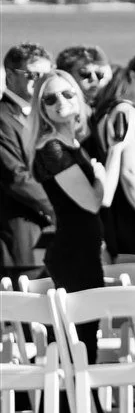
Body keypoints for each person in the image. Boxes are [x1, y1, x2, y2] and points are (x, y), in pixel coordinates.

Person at [28, 70, 116, 365]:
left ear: (78, 98)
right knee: (75, 346)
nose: (60, 102)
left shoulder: (72, 144)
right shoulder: (51, 147)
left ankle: (82, 411)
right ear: (41, 109)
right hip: (72, 256)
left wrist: (107, 168)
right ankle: (69, 411)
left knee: (83, 346)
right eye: (50, 98)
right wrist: (111, 161)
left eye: (67, 94)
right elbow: (92, 202)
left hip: (84, 254)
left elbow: (103, 198)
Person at [90, 50, 135, 262]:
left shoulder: (109, 109)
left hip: (115, 217)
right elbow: (129, 173)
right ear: (132, 75)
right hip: (131, 216)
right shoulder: (129, 113)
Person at [1, 44, 56, 273]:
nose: (41, 81)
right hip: (21, 239)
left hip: (50, 237)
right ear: (10, 75)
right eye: (33, 75)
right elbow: (16, 177)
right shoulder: (3, 119)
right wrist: (59, 207)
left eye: (47, 75)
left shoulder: (45, 115)